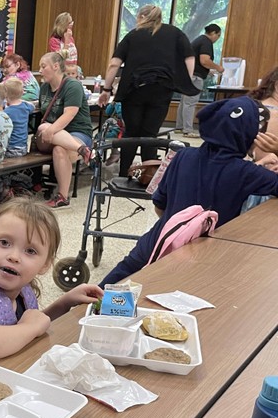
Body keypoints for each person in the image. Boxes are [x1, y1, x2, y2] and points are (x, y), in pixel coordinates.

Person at [101, 96, 278, 286]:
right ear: (251, 135)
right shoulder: (248, 173)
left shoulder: (183, 156)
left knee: (106, 290)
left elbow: (160, 206)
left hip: (155, 243)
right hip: (196, 259)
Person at [0, 197, 103, 374]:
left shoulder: (21, 293)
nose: (14, 256)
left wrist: (65, 303)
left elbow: (28, 324)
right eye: (4, 243)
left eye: (30, 251)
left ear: (45, 264)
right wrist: (31, 327)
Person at [98, 4, 197, 178]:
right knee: (150, 133)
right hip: (162, 89)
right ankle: (148, 176)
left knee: (131, 132)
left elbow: (114, 64)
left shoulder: (133, 35)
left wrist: (106, 89)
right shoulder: (175, 33)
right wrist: (183, 82)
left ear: (141, 17)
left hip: (134, 90)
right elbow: (189, 57)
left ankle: (123, 175)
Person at [35, 51, 93, 209]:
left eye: (43, 66)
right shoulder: (44, 88)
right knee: (43, 127)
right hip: (51, 135)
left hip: (77, 132)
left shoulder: (72, 85)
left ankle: (62, 196)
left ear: (55, 66)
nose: (40, 70)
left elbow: (70, 114)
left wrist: (51, 130)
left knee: (59, 150)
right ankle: (83, 150)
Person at [176, 24, 225, 138]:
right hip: (195, 77)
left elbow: (197, 62)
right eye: (218, 35)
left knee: (184, 102)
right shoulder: (206, 42)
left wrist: (208, 71)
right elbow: (204, 60)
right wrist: (218, 68)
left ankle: (179, 127)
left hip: (187, 74)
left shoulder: (199, 40)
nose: (217, 39)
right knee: (190, 102)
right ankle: (187, 130)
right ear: (213, 33)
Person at [4, 77, 33, 158]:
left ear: (5, 94)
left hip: (10, 148)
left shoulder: (7, 112)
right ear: (22, 92)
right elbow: (32, 107)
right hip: (23, 147)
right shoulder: (26, 107)